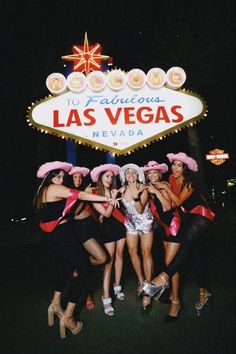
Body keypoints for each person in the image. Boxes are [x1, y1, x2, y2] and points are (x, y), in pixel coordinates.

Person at [34, 161, 118, 338]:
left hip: (52, 236)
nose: (61, 179)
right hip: (63, 234)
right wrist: (106, 198)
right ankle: (69, 317)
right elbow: (80, 196)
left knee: (65, 268)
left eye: (62, 177)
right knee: (84, 269)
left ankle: (56, 304)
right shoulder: (54, 188)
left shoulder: (43, 191)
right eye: (57, 176)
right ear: (49, 177)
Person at [141, 153, 215, 317]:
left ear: (185, 168)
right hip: (188, 218)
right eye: (173, 165)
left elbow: (178, 202)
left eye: (179, 165)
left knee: (186, 245)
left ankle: (162, 278)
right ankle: (204, 292)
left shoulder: (189, 182)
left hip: (201, 216)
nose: (175, 168)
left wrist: (163, 189)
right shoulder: (172, 180)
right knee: (197, 257)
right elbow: (171, 204)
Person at [142, 160, 182, 321]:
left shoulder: (164, 184)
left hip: (174, 226)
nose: (152, 175)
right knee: (170, 264)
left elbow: (168, 206)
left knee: (171, 264)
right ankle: (172, 293)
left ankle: (176, 301)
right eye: (149, 173)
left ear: (159, 174)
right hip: (165, 228)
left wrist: (157, 192)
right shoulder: (150, 189)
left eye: (154, 172)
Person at [68, 166, 108, 311]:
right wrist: (85, 194)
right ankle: (87, 296)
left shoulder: (85, 189)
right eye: (75, 177)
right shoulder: (70, 193)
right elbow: (76, 212)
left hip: (91, 226)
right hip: (80, 230)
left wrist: (100, 218)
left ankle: (87, 292)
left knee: (87, 267)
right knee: (102, 258)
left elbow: (92, 208)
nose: (78, 180)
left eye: (80, 177)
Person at [90, 164, 127, 316]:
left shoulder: (115, 190)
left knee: (120, 255)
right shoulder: (95, 193)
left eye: (112, 177)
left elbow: (123, 207)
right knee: (109, 260)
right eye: (107, 176)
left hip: (120, 225)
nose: (110, 179)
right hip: (107, 228)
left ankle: (117, 286)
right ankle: (106, 296)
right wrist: (112, 198)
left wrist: (120, 194)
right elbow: (105, 214)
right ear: (100, 177)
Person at [119, 163, 154, 312]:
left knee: (146, 252)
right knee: (132, 251)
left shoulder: (143, 188)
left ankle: (148, 288)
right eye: (128, 173)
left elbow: (139, 209)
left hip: (144, 220)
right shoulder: (122, 190)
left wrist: (135, 196)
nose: (131, 175)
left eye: (134, 172)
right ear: (124, 176)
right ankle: (141, 281)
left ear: (138, 174)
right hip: (130, 222)